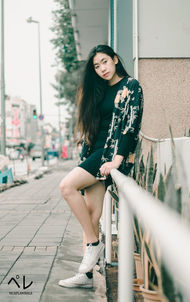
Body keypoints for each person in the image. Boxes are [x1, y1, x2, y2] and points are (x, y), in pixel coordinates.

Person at [58, 45, 144, 288]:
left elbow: (131, 123)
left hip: (109, 154)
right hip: (95, 153)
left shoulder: (130, 86)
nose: (102, 69)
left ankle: (95, 245)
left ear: (115, 59)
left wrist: (118, 158)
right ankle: (85, 276)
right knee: (92, 215)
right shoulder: (98, 90)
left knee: (66, 187)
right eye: (97, 66)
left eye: (105, 62)